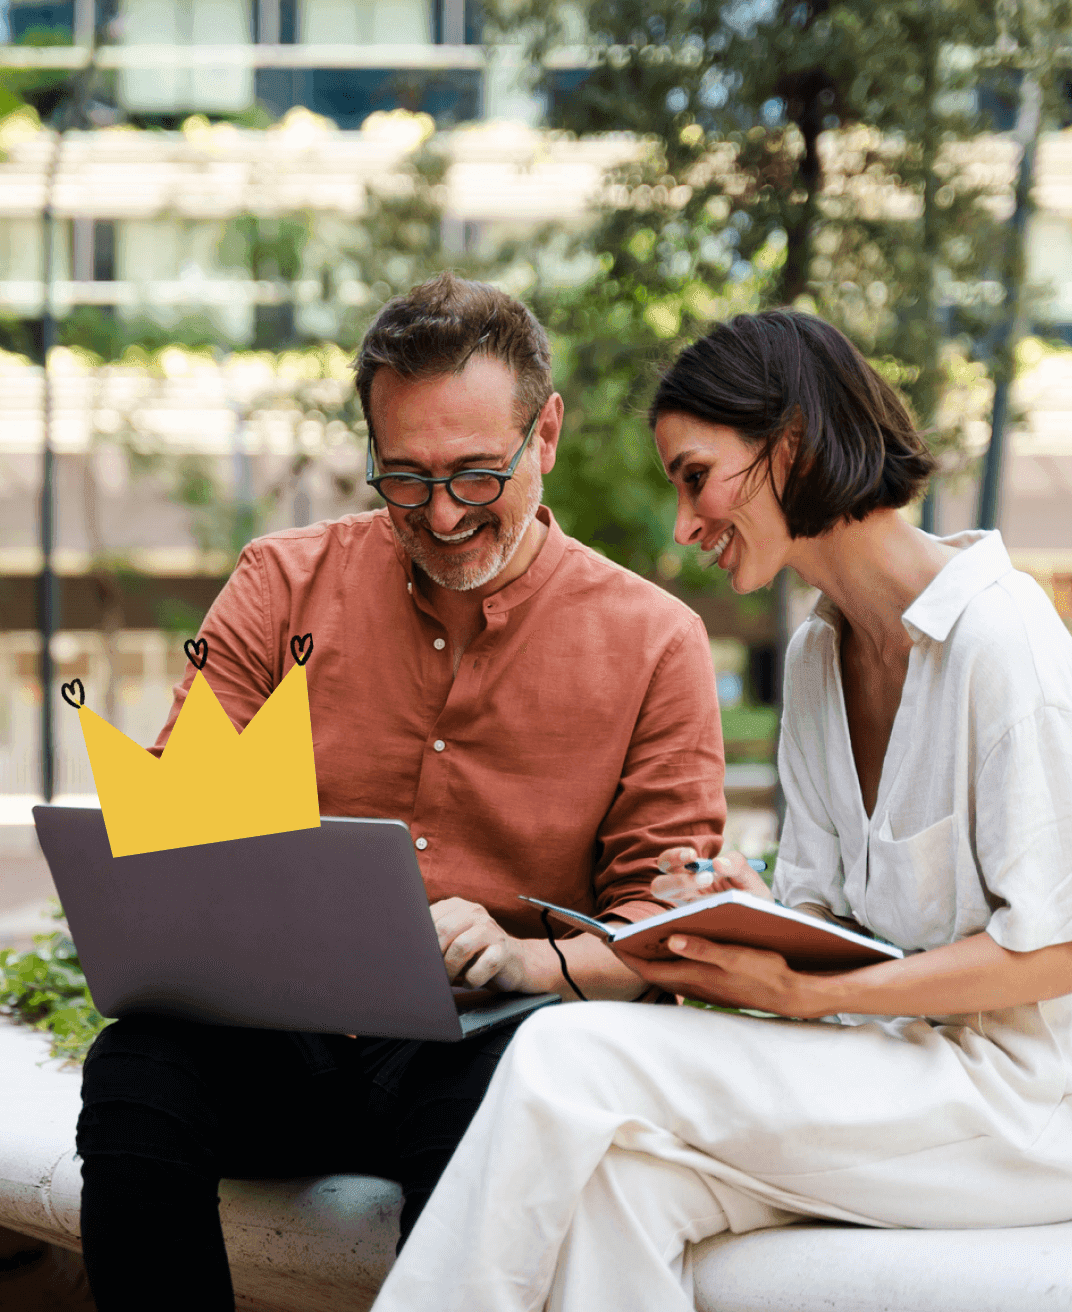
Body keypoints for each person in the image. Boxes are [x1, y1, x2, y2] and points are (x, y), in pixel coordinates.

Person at [369, 309, 1072, 1312]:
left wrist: (800, 995)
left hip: (1022, 1107)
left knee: (567, 1053)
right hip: (895, 1076)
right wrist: (743, 920)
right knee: (616, 1184)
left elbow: (1053, 950)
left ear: (786, 444)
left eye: (694, 475)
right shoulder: (815, 660)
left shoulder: (1003, 642)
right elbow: (842, 933)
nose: (683, 525)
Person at [74, 273, 726, 1311]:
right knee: (137, 1073)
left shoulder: (652, 641)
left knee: (499, 1125)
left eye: (475, 474)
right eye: (405, 477)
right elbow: (181, 831)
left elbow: (666, 926)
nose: (442, 513)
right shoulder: (278, 584)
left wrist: (521, 955)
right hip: (277, 1036)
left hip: (480, 1042)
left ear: (543, 434)